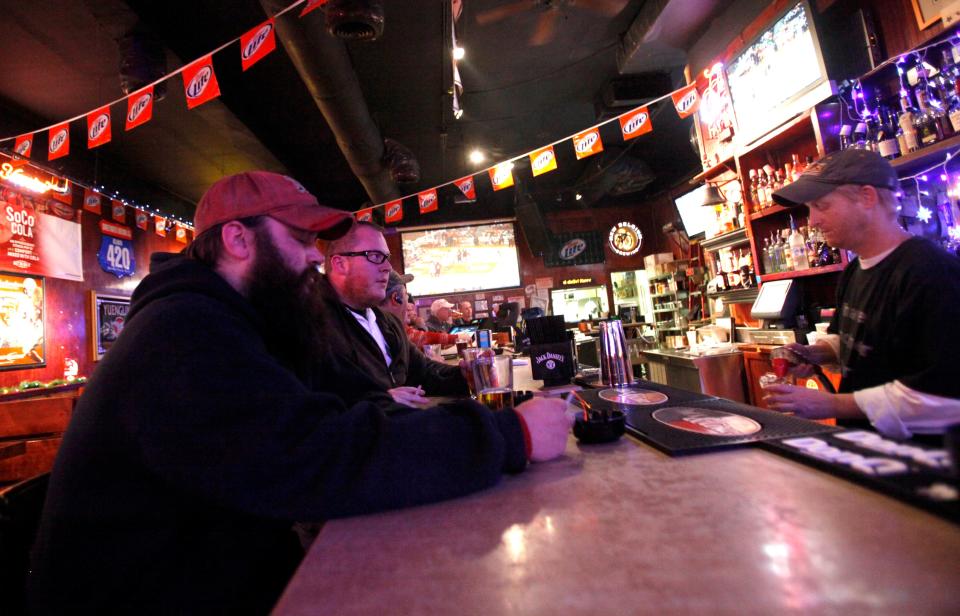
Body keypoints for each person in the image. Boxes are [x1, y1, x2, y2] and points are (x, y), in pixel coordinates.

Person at [28, 171, 571, 614]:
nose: (316, 256)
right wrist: (510, 434)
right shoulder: (184, 333)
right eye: (300, 238)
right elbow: (312, 455)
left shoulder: (226, 321)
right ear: (239, 239)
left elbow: (318, 425)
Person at [765, 149, 960, 439]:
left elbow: (945, 396)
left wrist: (832, 404)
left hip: (923, 462)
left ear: (867, 197)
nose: (812, 221)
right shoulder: (855, 270)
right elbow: (853, 337)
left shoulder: (930, 271)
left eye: (821, 205)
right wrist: (815, 353)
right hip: (869, 448)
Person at [316, 221, 466, 407]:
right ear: (340, 264)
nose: (387, 267)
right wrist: (382, 399)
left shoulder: (387, 322)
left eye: (386, 257)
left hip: (403, 429)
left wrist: (466, 376)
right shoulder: (312, 323)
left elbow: (423, 372)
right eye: (374, 256)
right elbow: (310, 402)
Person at [381, 271, 459, 348]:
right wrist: (457, 338)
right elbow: (421, 338)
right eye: (405, 294)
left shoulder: (390, 324)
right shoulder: (386, 328)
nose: (410, 306)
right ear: (396, 299)